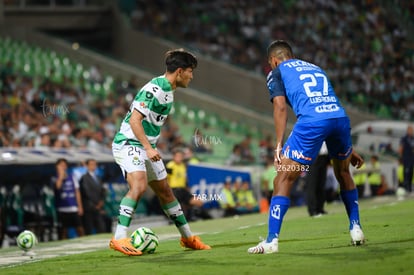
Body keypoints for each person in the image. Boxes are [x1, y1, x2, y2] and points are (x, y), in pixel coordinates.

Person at [248, 40, 365, 254]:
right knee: (343, 172)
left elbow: (280, 106)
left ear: (273, 60)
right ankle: (356, 227)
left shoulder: (277, 72)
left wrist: (278, 143)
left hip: (312, 122)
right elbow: (327, 103)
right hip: (339, 118)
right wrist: (349, 148)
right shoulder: (315, 67)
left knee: (282, 177)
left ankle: (271, 240)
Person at [110, 49, 210, 256]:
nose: (192, 76)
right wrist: (147, 147)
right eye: (190, 72)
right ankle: (119, 237)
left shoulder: (169, 89)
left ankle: (188, 237)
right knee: (138, 185)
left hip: (146, 146)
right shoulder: (155, 89)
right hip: (129, 143)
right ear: (180, 71)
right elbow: (134, 120)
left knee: (166, 191)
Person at [166, 149, 209, 221]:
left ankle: (202, 218)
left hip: (183, 190)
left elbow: (184, 179)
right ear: (174, 157)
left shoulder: (183, 166)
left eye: (181, 156)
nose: (179, 158)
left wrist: (187, 187)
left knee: (198, 202)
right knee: (178, 209)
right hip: (174, 191)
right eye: (177, 156)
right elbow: (166, 179)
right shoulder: (170, 165)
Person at [52, 158, 85, 240]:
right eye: (61, 165)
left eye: (64, 165)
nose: (63, 167)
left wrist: (80, 206)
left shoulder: (72, 177)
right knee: (63, 230)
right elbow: (58, 187)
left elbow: (77, 192)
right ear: (57, 167)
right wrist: (60, 176)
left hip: (73, 207)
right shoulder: (54, 178)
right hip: (62, 208)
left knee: (80, 228)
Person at [79, 159, 107, 235]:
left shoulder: (98, 178)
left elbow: (102, 191)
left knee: (101, 228)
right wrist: (95, 204)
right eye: (91, 164)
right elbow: (86, 192)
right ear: (87, 166)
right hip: (89, 207)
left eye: (95, 164)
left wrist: (101, 201)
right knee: (89, 228)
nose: (93, 166)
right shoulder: (84, 178)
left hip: (98, 207)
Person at [398, 125, 414, 193]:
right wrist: (401, 157)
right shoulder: (404, 138)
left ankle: (410, 188)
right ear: (408, 130)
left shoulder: (413, 138)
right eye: (410, 130)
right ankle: (406, 188)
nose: (412, 131)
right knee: (406, 173)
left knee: (411, 173)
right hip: (406, 158)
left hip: (412, 159)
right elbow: (401, 148)